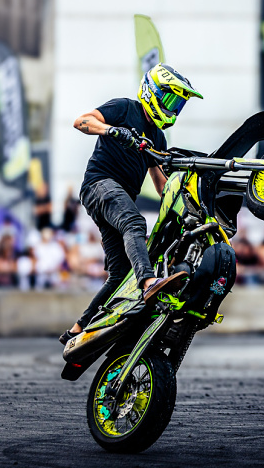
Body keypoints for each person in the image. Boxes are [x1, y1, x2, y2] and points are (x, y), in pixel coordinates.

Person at [60, 63, 202, 345]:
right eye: (170, 99)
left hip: (117, 199)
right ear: (153, 92)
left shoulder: (158, 137)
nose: (173, 108)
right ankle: (148, 282)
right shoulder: (125, 108)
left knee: (120, 275)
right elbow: (81, 121)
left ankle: (77, 330)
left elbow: (161, 184)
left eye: (178, 104)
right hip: (99, 186)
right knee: (135, 222)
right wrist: (111, 130)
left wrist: (187, 207)